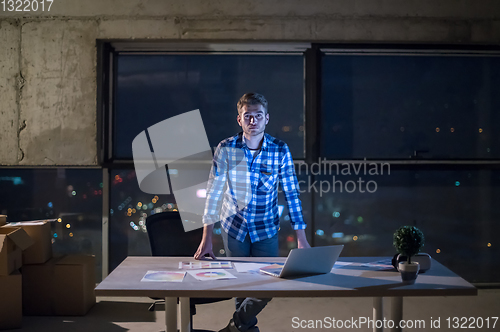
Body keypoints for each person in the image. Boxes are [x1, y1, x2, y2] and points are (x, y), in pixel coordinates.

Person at [194, 92, 310, 332]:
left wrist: (302, 239)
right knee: (242, 287)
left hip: (265, 228)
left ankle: (235, 325)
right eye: (248, 116)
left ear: (267, 118)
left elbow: (291, 194)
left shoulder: (279, 149)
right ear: (239, 119)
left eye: (258, 116)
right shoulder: (225, 149)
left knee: (267, 286)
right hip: (233, 228)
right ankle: (244, 328)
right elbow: (214, 193)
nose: (253, 121)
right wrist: (207, 239)